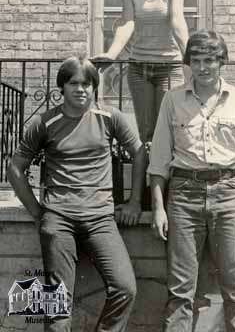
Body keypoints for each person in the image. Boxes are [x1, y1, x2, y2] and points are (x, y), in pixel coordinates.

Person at [7, 56, 145, 332]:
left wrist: (134, 202)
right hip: (59, 220)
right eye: (73, 83)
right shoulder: (46, 122)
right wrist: (37, 212)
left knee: (125, 287)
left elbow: (139, 154)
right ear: (62, 87)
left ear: (94, 87)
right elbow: (15, 167)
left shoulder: (110, 118)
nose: (80, 89)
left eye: (87, 83)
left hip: (100, 220)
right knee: (58, 308)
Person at [148, 29, 235, 332]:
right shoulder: (172, 101)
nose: (202, 67)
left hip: (229, 196)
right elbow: (159, 161)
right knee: (180, 290)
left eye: (210, 60)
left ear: (221, 61)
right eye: (196, 60)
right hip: (184, 197)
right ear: (189, 63)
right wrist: (159, 208)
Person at [93, 0, 190, 143]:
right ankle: (150, 175)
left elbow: (176, 20)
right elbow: (128, 23)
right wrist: (111, 54)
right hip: (139, 67)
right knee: (146, 132)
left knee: (170, 128)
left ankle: (169, 175)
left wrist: (190, 54)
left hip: (169, 66)